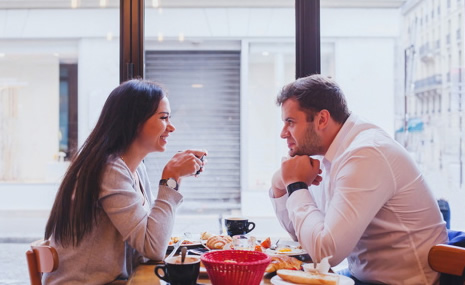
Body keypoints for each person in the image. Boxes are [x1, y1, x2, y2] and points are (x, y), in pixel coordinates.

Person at [270, 74, 448, 285]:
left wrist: (296, 185)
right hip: (359, 277)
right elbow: (305, 238)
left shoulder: (366, 153)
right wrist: (280, 185)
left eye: (290, 122)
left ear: (322, 119)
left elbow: (326, 254)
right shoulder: (328, 154)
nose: (283, 133)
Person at [43, 79, 207, 284]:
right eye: (164, 118)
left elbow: (149, 242)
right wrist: (171, 178)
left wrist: (173, 178)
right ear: (134, 121)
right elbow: (153, 248)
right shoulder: (109, 170)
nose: (171, 127)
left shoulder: (136, 168)